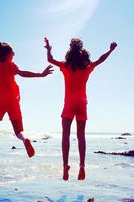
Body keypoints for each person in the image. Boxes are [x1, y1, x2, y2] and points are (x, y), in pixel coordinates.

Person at [0, 22, 53, 166]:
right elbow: (23, 73)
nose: (14, 54)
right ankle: (25, 140)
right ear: (7, 56)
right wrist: (40, 74)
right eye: (12, 53)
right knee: (19, 131)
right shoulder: (11, 65)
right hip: (13, 100)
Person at [44, 37, 117, 180]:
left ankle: (65, 165)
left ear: (70, 51)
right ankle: (82, 165)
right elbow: (100, 60)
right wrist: (110, 50)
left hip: (69, 103)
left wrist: (49, 49)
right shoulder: (87, 67)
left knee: (65, 134)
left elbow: (50, 60)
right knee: (81, 136)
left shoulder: (66, 66)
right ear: (83, 52)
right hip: (82, 103)